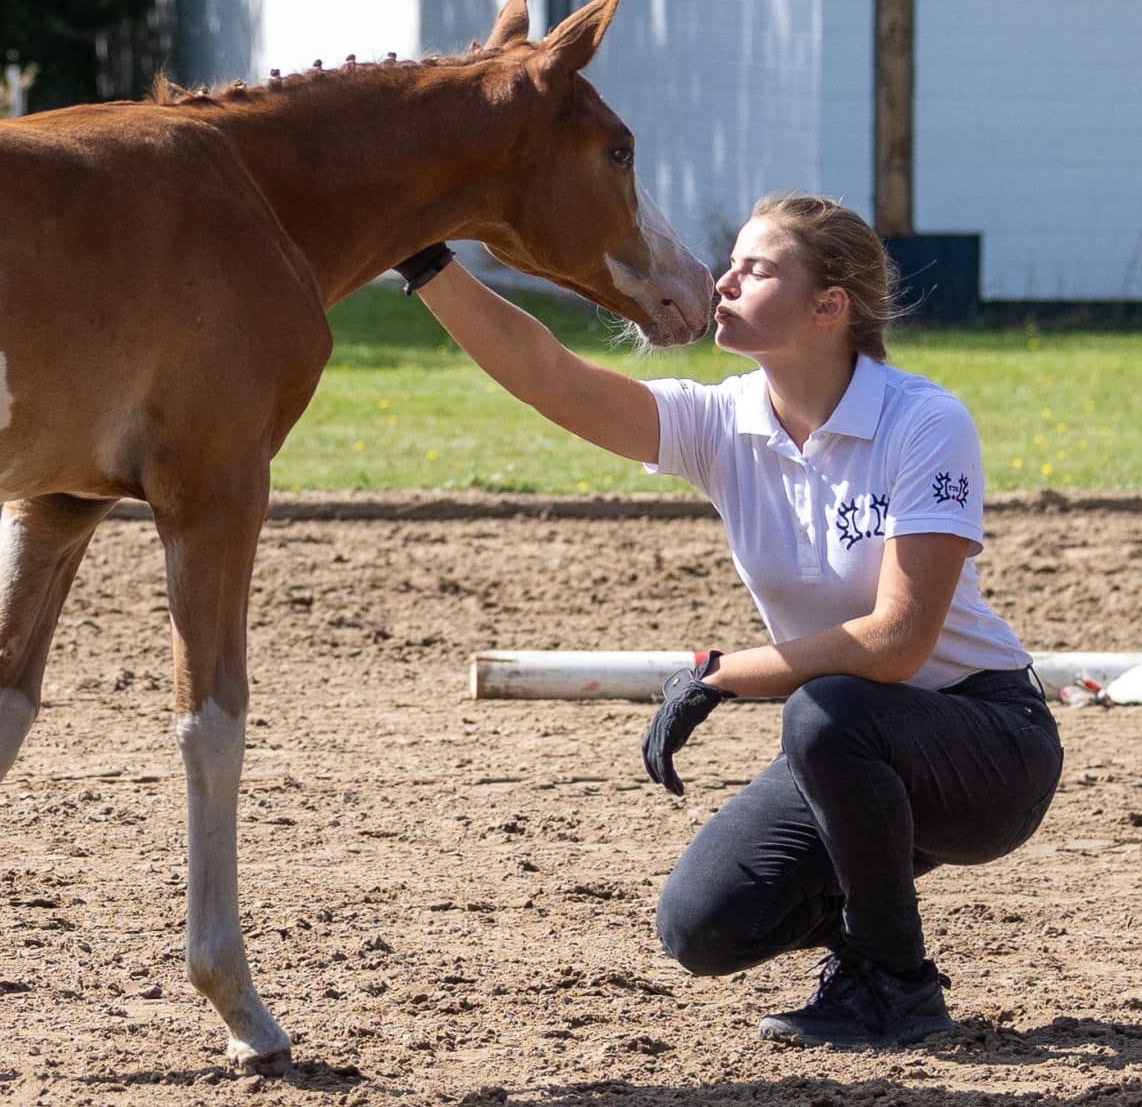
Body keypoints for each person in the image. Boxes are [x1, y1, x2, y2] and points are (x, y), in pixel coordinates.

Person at [396, 192, 1062, 1047]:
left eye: (758, 267)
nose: (726, 279)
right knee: (701, 925)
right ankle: (869, 931)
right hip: (854, 748)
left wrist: (721, 673)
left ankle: (894, 983)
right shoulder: (725, 421)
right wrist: (426, 262)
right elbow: (553, 378)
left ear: (830, 308)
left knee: (825, 712)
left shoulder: (924, 421)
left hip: (991, 747)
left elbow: (897, 645)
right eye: (732, 259)